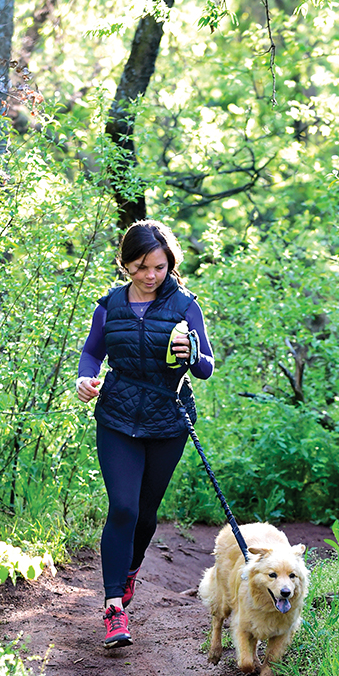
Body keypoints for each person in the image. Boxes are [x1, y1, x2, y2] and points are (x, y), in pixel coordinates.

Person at [76, 220, 215, 649]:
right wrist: (85, 378)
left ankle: (130, 569)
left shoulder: (186, 305)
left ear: (169, 262)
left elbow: (206, 366)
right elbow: (92, 351)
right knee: (122, 507)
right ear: (125, 265)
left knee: (146, 512)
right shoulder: (110, 305)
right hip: (117, 416)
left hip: (168, 420)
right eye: (140, 267)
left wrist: (190, 351)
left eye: (158, 266)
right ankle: (114, 606)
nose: (151, 275)